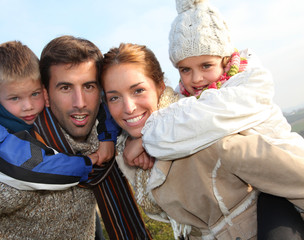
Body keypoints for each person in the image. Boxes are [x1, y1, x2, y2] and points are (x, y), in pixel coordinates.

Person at [0, 36, 151, 240]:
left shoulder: (104, 135)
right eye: (65, 88)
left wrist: (142, 141)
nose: (79, 102)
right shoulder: (12, 173)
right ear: (45, 93)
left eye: (88, 86)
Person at [100, 41, 304, 239]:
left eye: (138, 90)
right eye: (114, 97)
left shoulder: (200, 130)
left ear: (160, 87)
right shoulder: (135, 148)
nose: (128, 107)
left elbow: (294, 177)